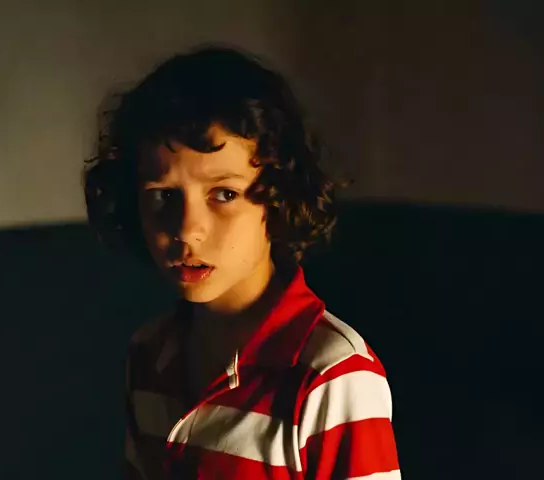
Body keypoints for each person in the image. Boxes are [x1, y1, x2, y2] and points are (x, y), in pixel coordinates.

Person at [84, 45, 400, 479]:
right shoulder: (150, 354)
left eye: (224, 194)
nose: (187, 230)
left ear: (277, 200)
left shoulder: (332, 375)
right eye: (164, 195)